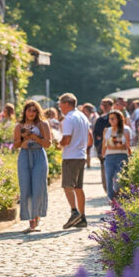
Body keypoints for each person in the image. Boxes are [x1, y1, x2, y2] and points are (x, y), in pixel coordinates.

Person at [13, 100, 51, 232]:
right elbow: (16, 145)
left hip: (39, 155)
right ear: (25, 112)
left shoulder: (42, 124)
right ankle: (31, 220)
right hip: (24, 156)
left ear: (38, 112)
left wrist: (34, 136)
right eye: (29, 110)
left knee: (39, 187)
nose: (31, 113)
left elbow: (48, 144)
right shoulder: (19, 126)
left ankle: (37, 216)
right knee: (25, 188)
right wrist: (23, 138)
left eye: (34, 110)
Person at [59, 93, 91, 229]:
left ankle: (74, 212)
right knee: (78, 187)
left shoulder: (69, 118)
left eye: (60, 103)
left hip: (71, 155)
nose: (59, 106)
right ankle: (82, 217)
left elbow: (66, 139)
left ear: (67, 103)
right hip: (81, 154)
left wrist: (58, 144)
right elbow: (90, 138)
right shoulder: (83, 116)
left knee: (67, 185)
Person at [101, 110, 132, 200]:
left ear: (119, 119)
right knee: (109, 180)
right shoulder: (107, 130)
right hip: (109, 157)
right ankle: (112, 200)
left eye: (113, 119)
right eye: (110, 119)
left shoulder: (125, 130)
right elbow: (105, 145)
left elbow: (126, 146)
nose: (110, 121)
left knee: (120, 181)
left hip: (122, 157)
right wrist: (103, 155)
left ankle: (121, 199)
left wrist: (114, 145)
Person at [91, 98, 113, 190]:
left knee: (105, 168)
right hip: (106, 147)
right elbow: (96, 135)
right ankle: (109, 189)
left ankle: (108, 189)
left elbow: (96, 134)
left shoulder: (102, 119)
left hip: (106, 147)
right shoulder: (116, 117)